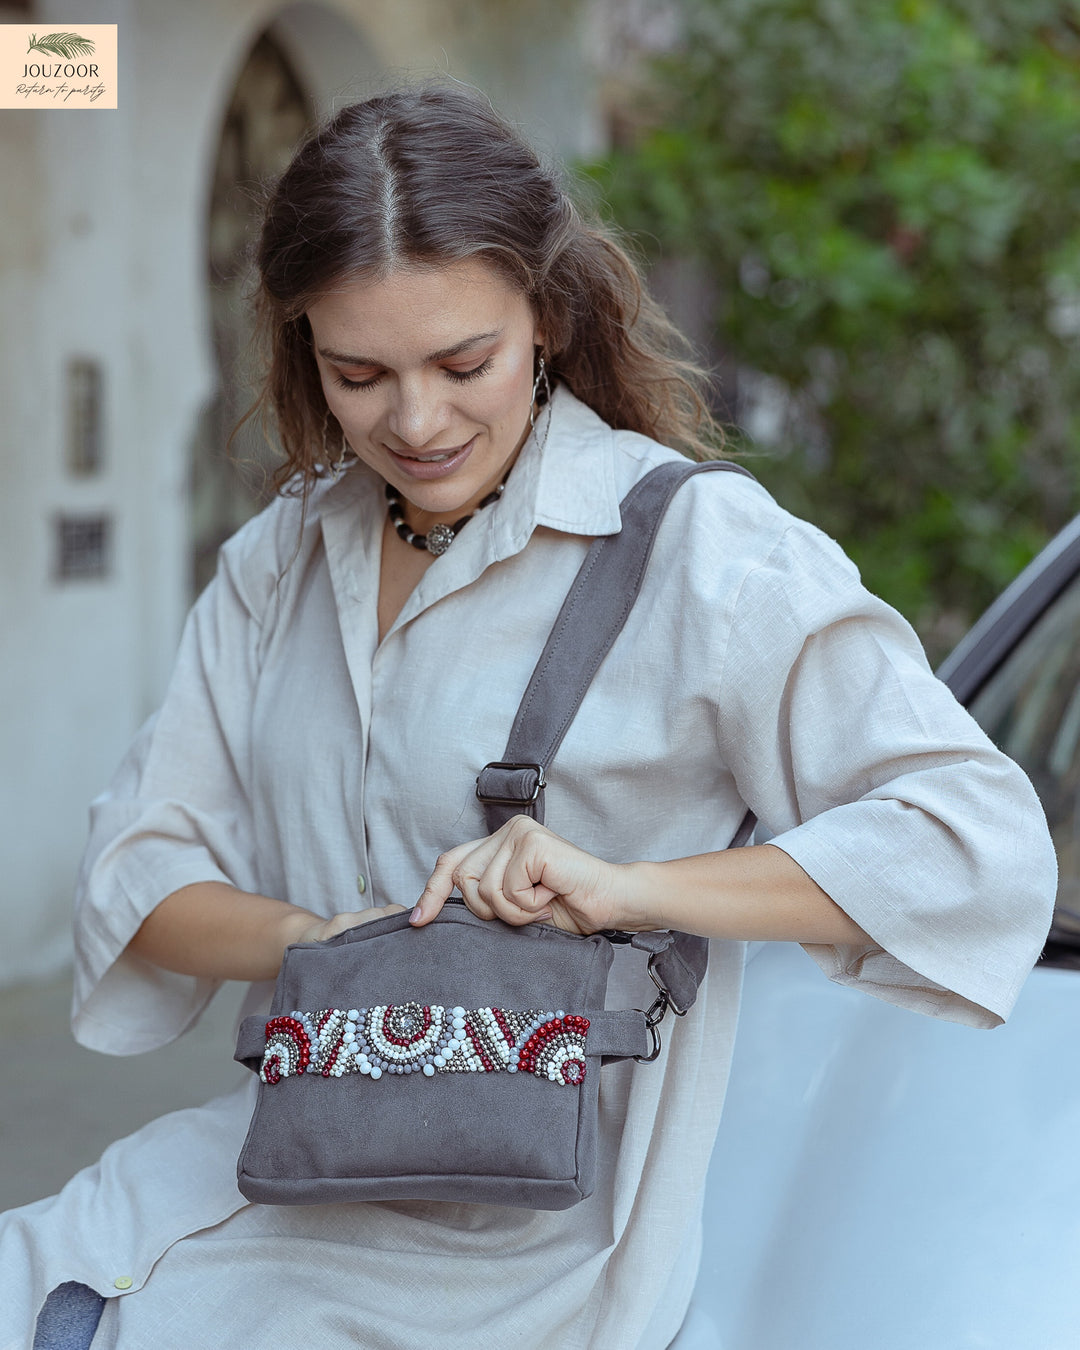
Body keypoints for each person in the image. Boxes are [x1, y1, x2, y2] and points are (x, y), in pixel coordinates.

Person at [2, 83, 1056, 1349]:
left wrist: (630, 888)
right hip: (284, 1158)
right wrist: (328, 939)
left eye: (464, 363)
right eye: (359, 374)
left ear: (547, 319)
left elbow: (975, 838)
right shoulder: (279, 560)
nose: (417, 421)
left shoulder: (697, 551)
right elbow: (138, 875)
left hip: (534, 1253)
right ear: (302, 351)